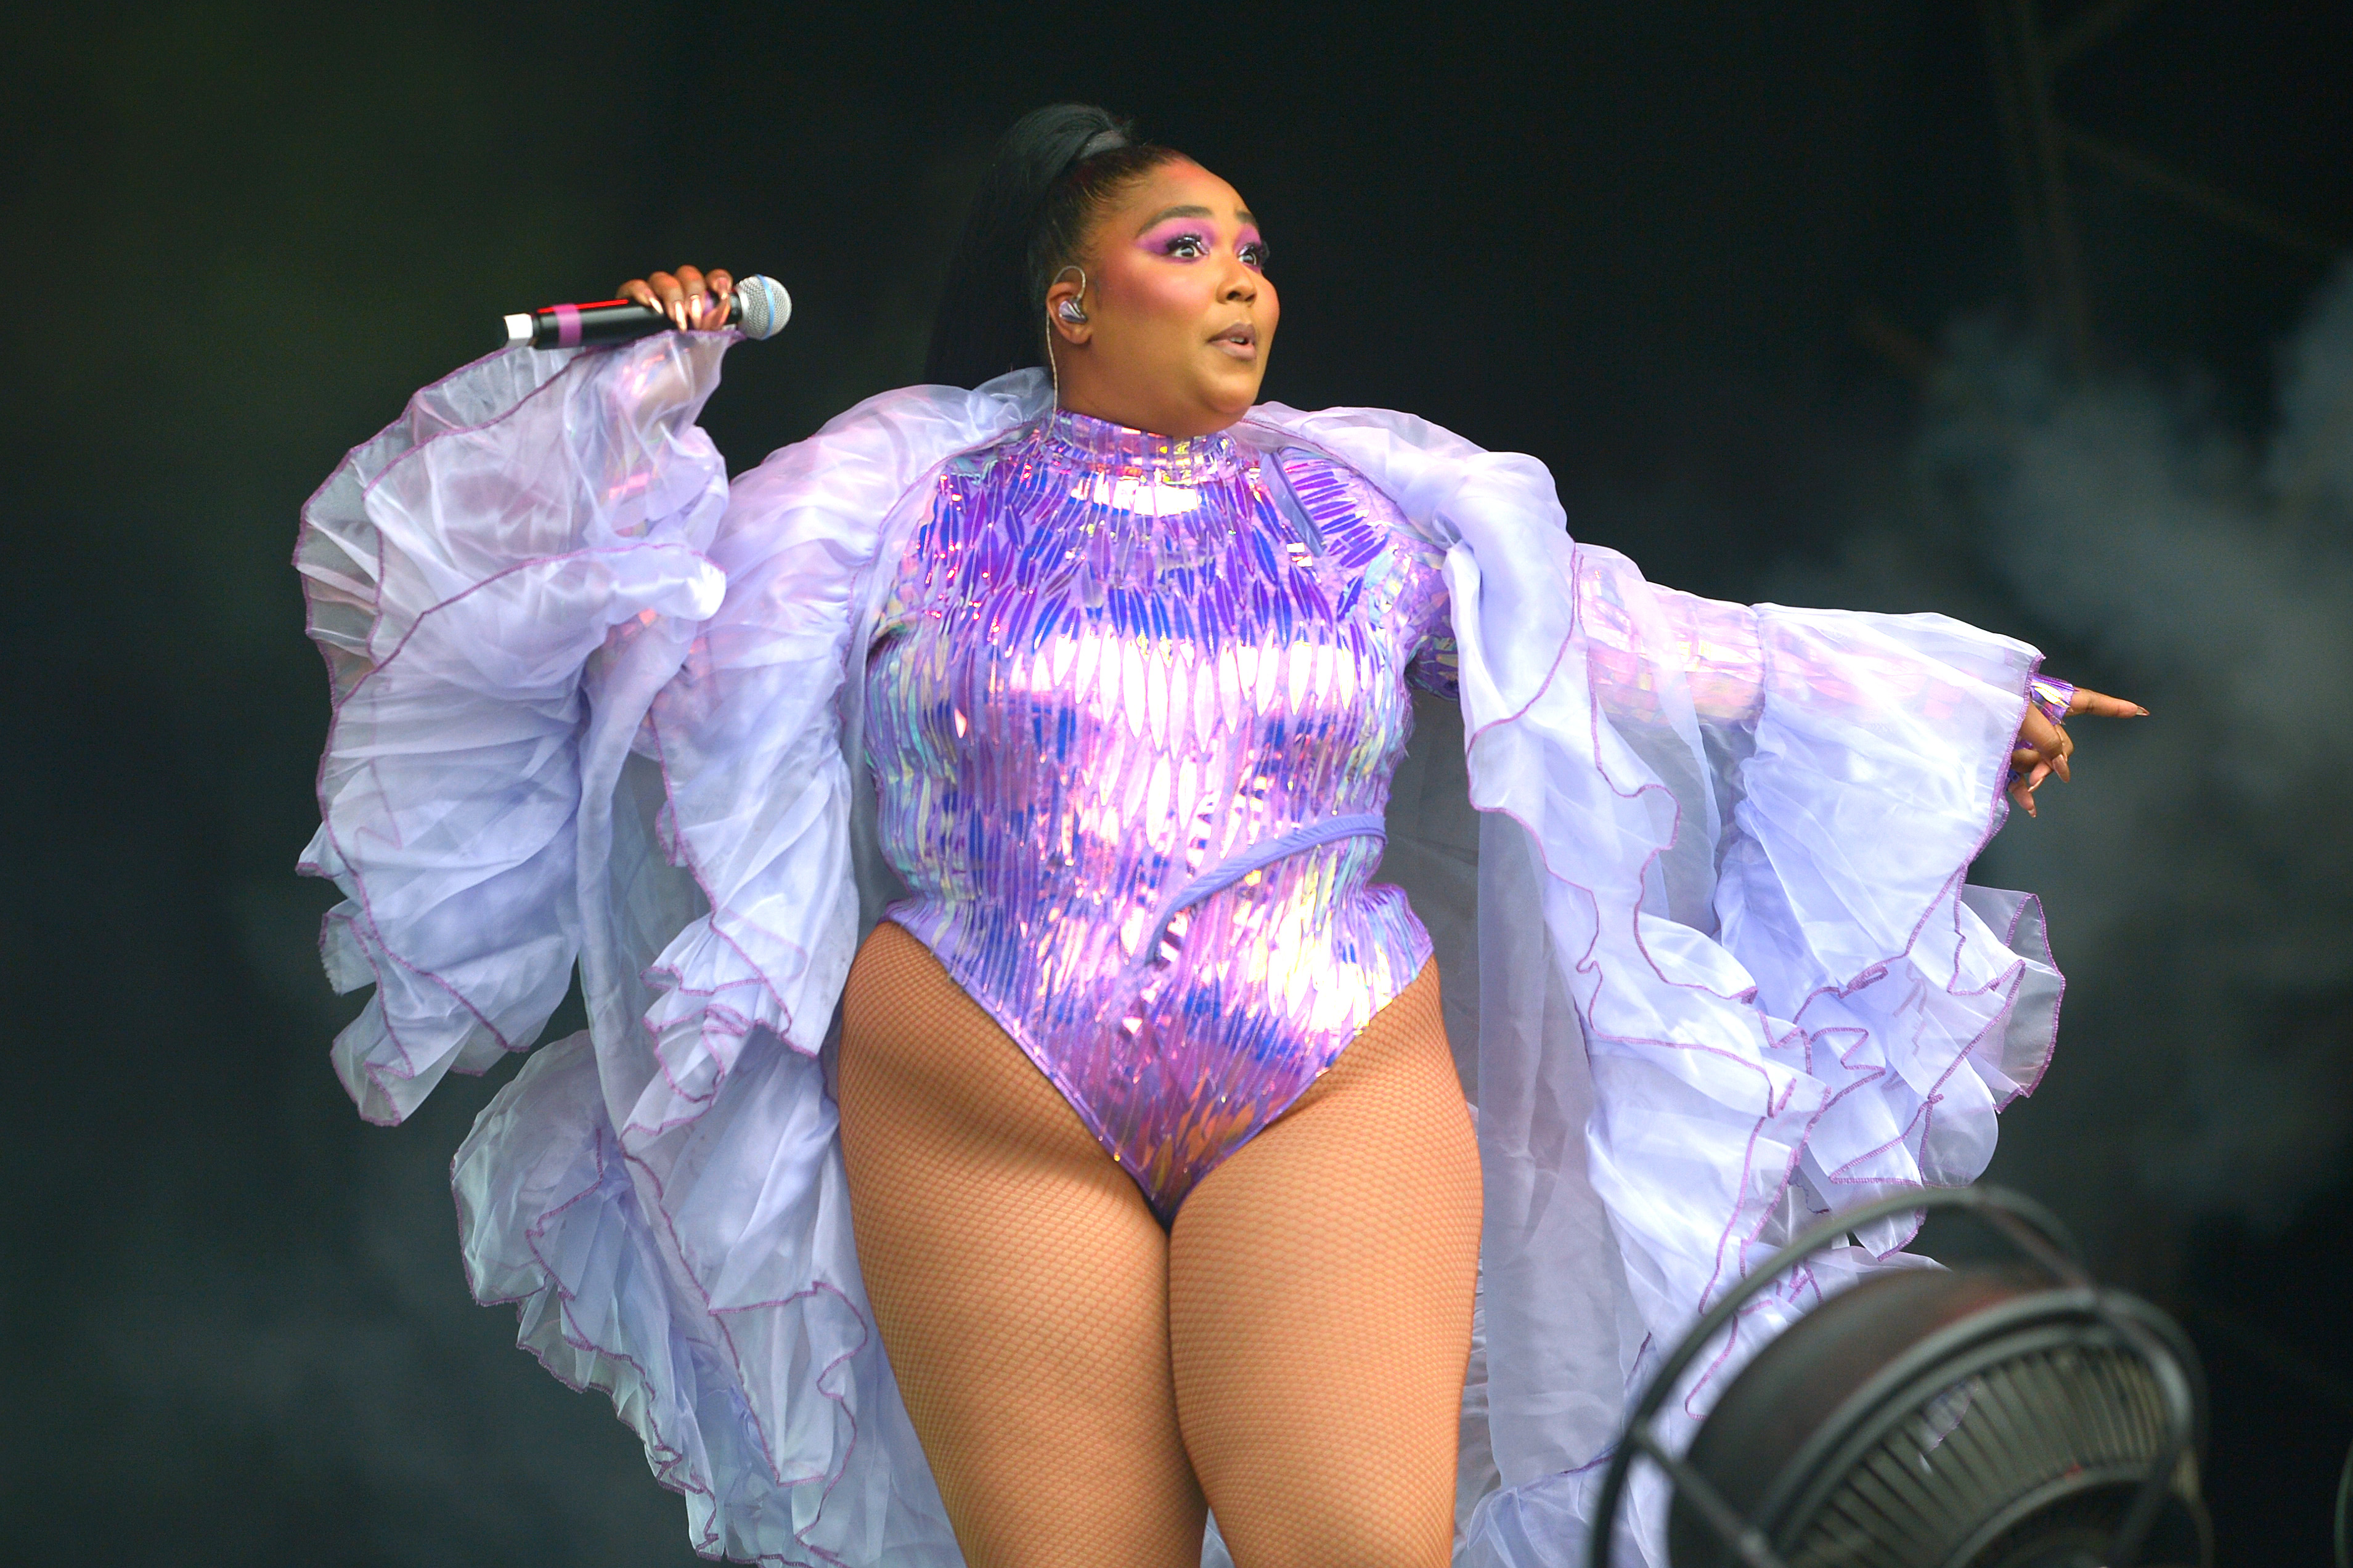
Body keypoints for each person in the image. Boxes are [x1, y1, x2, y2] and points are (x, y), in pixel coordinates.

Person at [296, 105, 2140, 1568]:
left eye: (1254, 253)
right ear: (1068, 304)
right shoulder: (882, 499)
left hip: (1321, 1063)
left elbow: (1639, 650)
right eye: (1186, 248)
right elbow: (643, 645)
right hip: (990, 1082)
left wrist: (1950, 708)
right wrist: (643, 384)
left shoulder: (1378, 505)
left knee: (1354, 1554)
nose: (1244, 282)